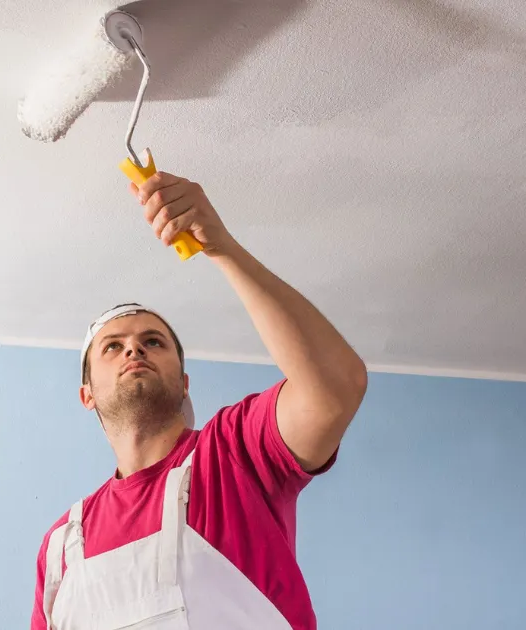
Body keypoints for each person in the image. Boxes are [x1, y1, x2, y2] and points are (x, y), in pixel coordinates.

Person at [30, 171, 369, 630]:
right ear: (86, 395)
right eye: (112, 346)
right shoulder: (59, 548)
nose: (134, 350)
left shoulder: (234, 453)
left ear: (185, 383)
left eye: (154, 342)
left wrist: (222, 247)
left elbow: (336, 388)